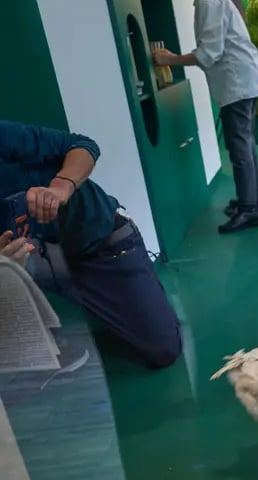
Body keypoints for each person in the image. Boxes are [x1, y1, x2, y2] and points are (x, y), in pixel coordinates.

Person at [0, 120, 183, 369]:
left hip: (99, 243)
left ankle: (108, 304)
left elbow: (83, 145)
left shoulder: (5, 136)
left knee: (163, 349)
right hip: (34, 258)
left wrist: (61, 187)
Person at [153, 0, 258, 234]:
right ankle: (250, 200)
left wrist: (169, 60)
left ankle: (249, 208)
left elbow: (209, 53)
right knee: (246, 144)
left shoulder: (209, 1)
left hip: (237, 84)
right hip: (243, 81)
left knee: (240, 147)